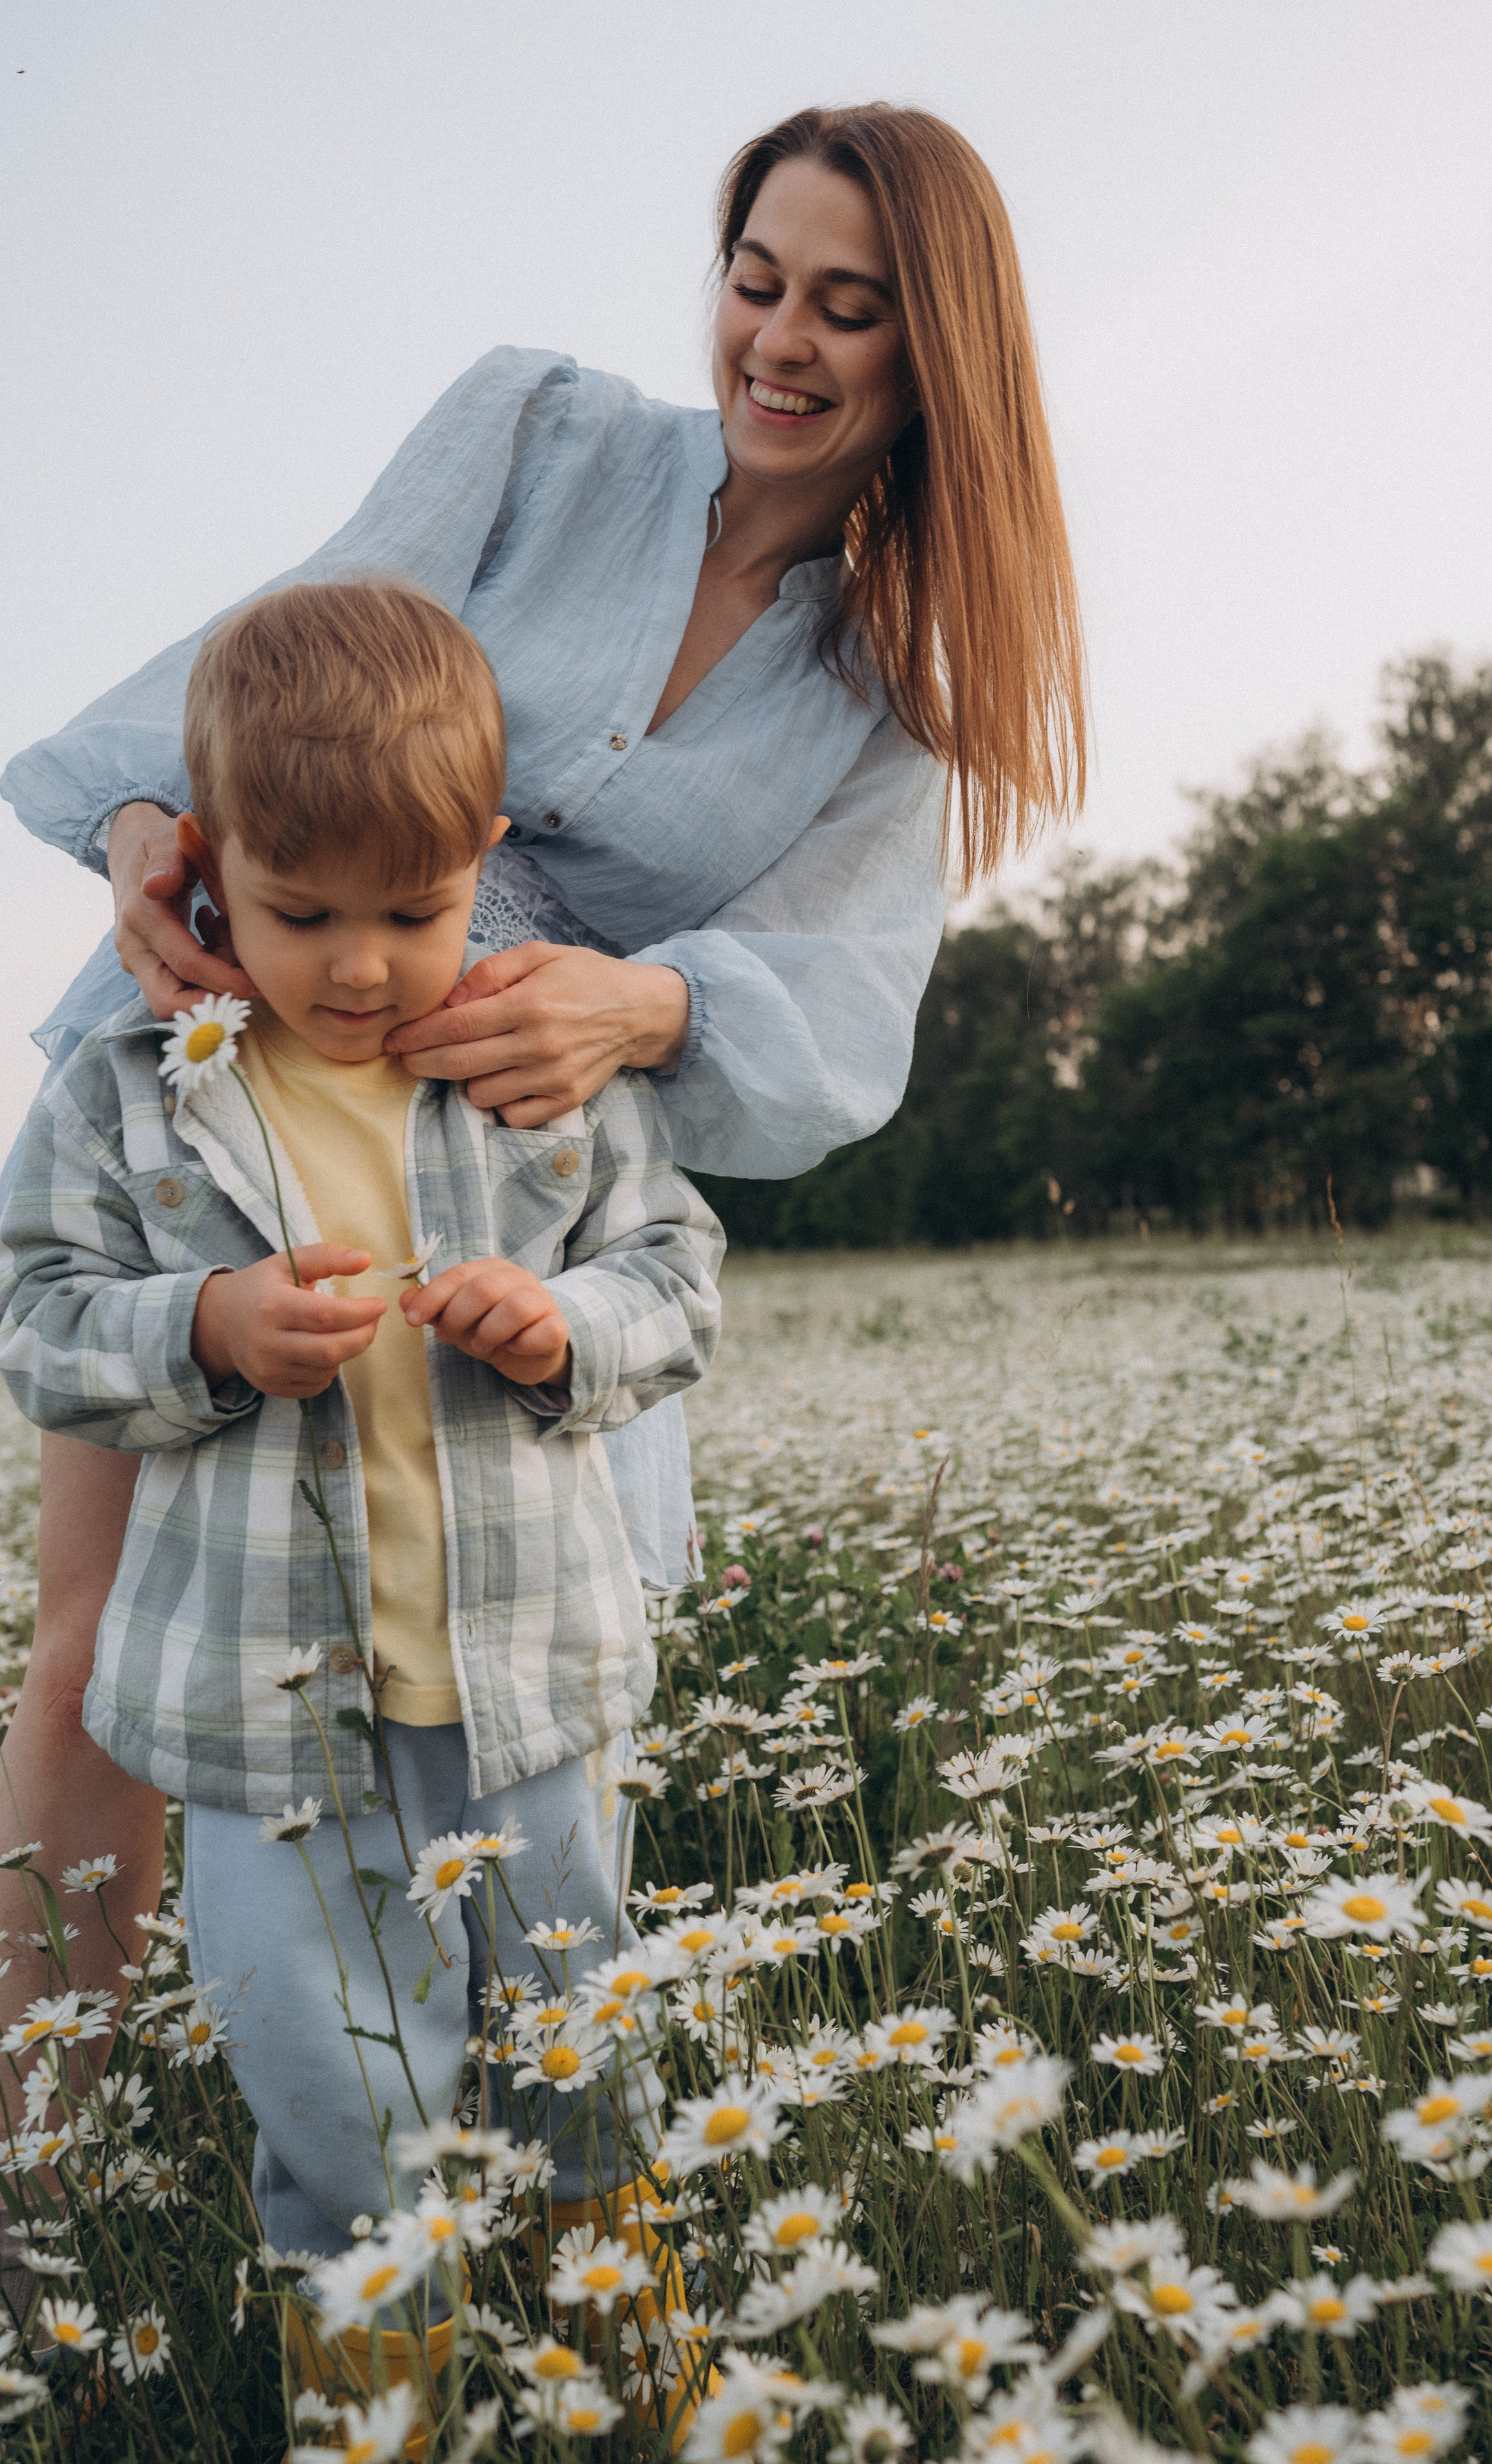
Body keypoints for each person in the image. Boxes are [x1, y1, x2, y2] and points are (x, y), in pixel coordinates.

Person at [0, 102, 1088, 2052]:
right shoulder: (537, 428)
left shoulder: (899, 686)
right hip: (223, 1072)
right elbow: (284, 637)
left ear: (937, 352)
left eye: (848, 308)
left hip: (506, 1167)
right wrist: (154, 817)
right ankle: (36, 2145)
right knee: (93, 1639)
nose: (779, 340)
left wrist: (640, 1006)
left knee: (475, 1661)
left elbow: (844, 1000)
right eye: (756, 280)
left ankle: (490, 2172)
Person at [0, 578, 724, 2436]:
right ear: (194, 864)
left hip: (526, 1681)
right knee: (331, 2080)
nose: (358, 966)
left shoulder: (531, 1075)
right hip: (264, 1718)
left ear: (482, 860)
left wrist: (565, 1328)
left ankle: (638, 2365)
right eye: (299, 910)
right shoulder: (132, 1094)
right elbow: (41, 1319)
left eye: (413, 910)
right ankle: (380, 2398)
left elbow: (676, 1274)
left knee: (582, 2049)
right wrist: (212, 1327)